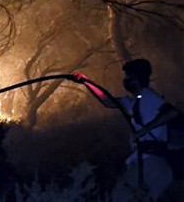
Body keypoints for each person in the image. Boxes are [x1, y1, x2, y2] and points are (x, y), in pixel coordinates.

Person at [73, 58, 181, 201]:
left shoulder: (149, 97)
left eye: (128, 77)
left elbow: (172, 113)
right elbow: (108, 101)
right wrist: (86, 81)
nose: (126, 80)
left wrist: (143, 131)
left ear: (137, 78)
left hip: (151, 163)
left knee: (120, 197)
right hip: (146, 162)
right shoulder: (135, 100)